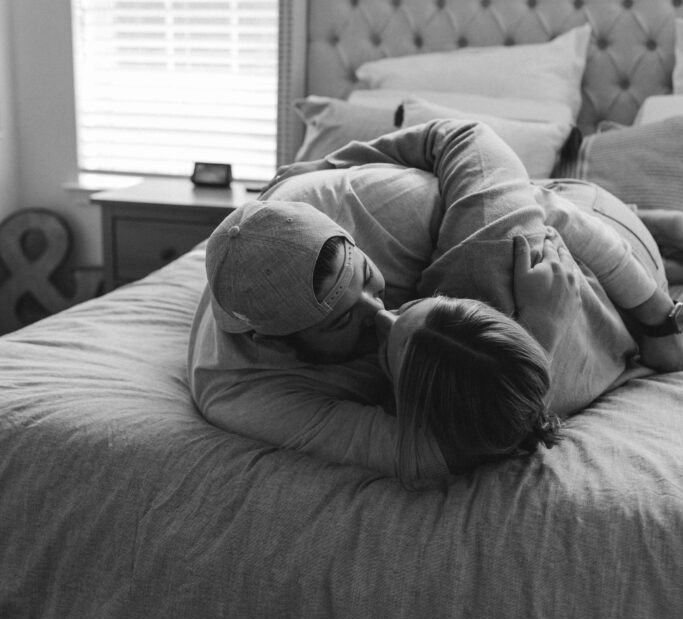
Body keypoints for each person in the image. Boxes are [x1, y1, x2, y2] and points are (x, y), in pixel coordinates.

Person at [189, 118, 683, 483]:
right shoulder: (242, 394)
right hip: (575, 245)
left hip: (599, 227)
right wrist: (541, 333)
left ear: (352, 238)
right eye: (341, 321)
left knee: (484, 275)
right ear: (269, 339)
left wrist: (659, 319)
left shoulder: (381, 207)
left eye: (367, 276)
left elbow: (489, 156)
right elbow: (425, 453)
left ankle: (656, 228)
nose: (379, 311)